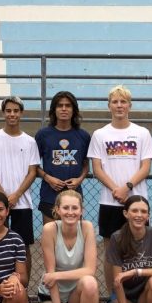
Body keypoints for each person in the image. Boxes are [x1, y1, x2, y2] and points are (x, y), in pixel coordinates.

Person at [88, 85, 152, 303]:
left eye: (123, 102)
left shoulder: (142, 133)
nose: (119, 106)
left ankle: (139, 297)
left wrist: (127, 187)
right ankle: (114, 297)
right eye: (115, 102)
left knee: (140, 252)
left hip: (136, 201)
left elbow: (146, 166)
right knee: (111, 253)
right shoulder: (100, 134)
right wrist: (115, 190)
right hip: (109, 201)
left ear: (129, 105)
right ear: (109, 106)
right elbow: (96, 168)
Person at [0, 96, 39, 303]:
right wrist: (3, 198)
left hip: (22, 203)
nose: (12, 114)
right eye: (8, 110)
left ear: (21, 113)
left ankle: (23, 292)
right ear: (3, 113)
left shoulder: (30, 141)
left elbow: (33, 171)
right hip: (0, 203)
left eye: (16, 110)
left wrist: (15, 195)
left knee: (23, 248)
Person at [37, 190, 100, 303]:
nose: (70, 212)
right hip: (51, 295)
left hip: (74, 295)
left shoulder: (87, 227)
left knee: (90, 282)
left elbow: (90, 270)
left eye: (75, 208)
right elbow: (50, 276)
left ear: (82, 210)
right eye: (65, 207)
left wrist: (58, 275)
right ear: (57, 210)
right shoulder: (49, 229)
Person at [35, 91, 90, 226]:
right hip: (49, 195)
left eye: (68, 105)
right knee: (51, 236)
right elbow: (34, 166)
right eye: (60, 105)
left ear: (74, 110)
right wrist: (48, 178)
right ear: (54, 110)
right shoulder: (43, 135)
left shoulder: (83, 136)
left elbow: (85, 164)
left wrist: (79, 179)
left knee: (74, 240)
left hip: (74, 197)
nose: (64, 109)